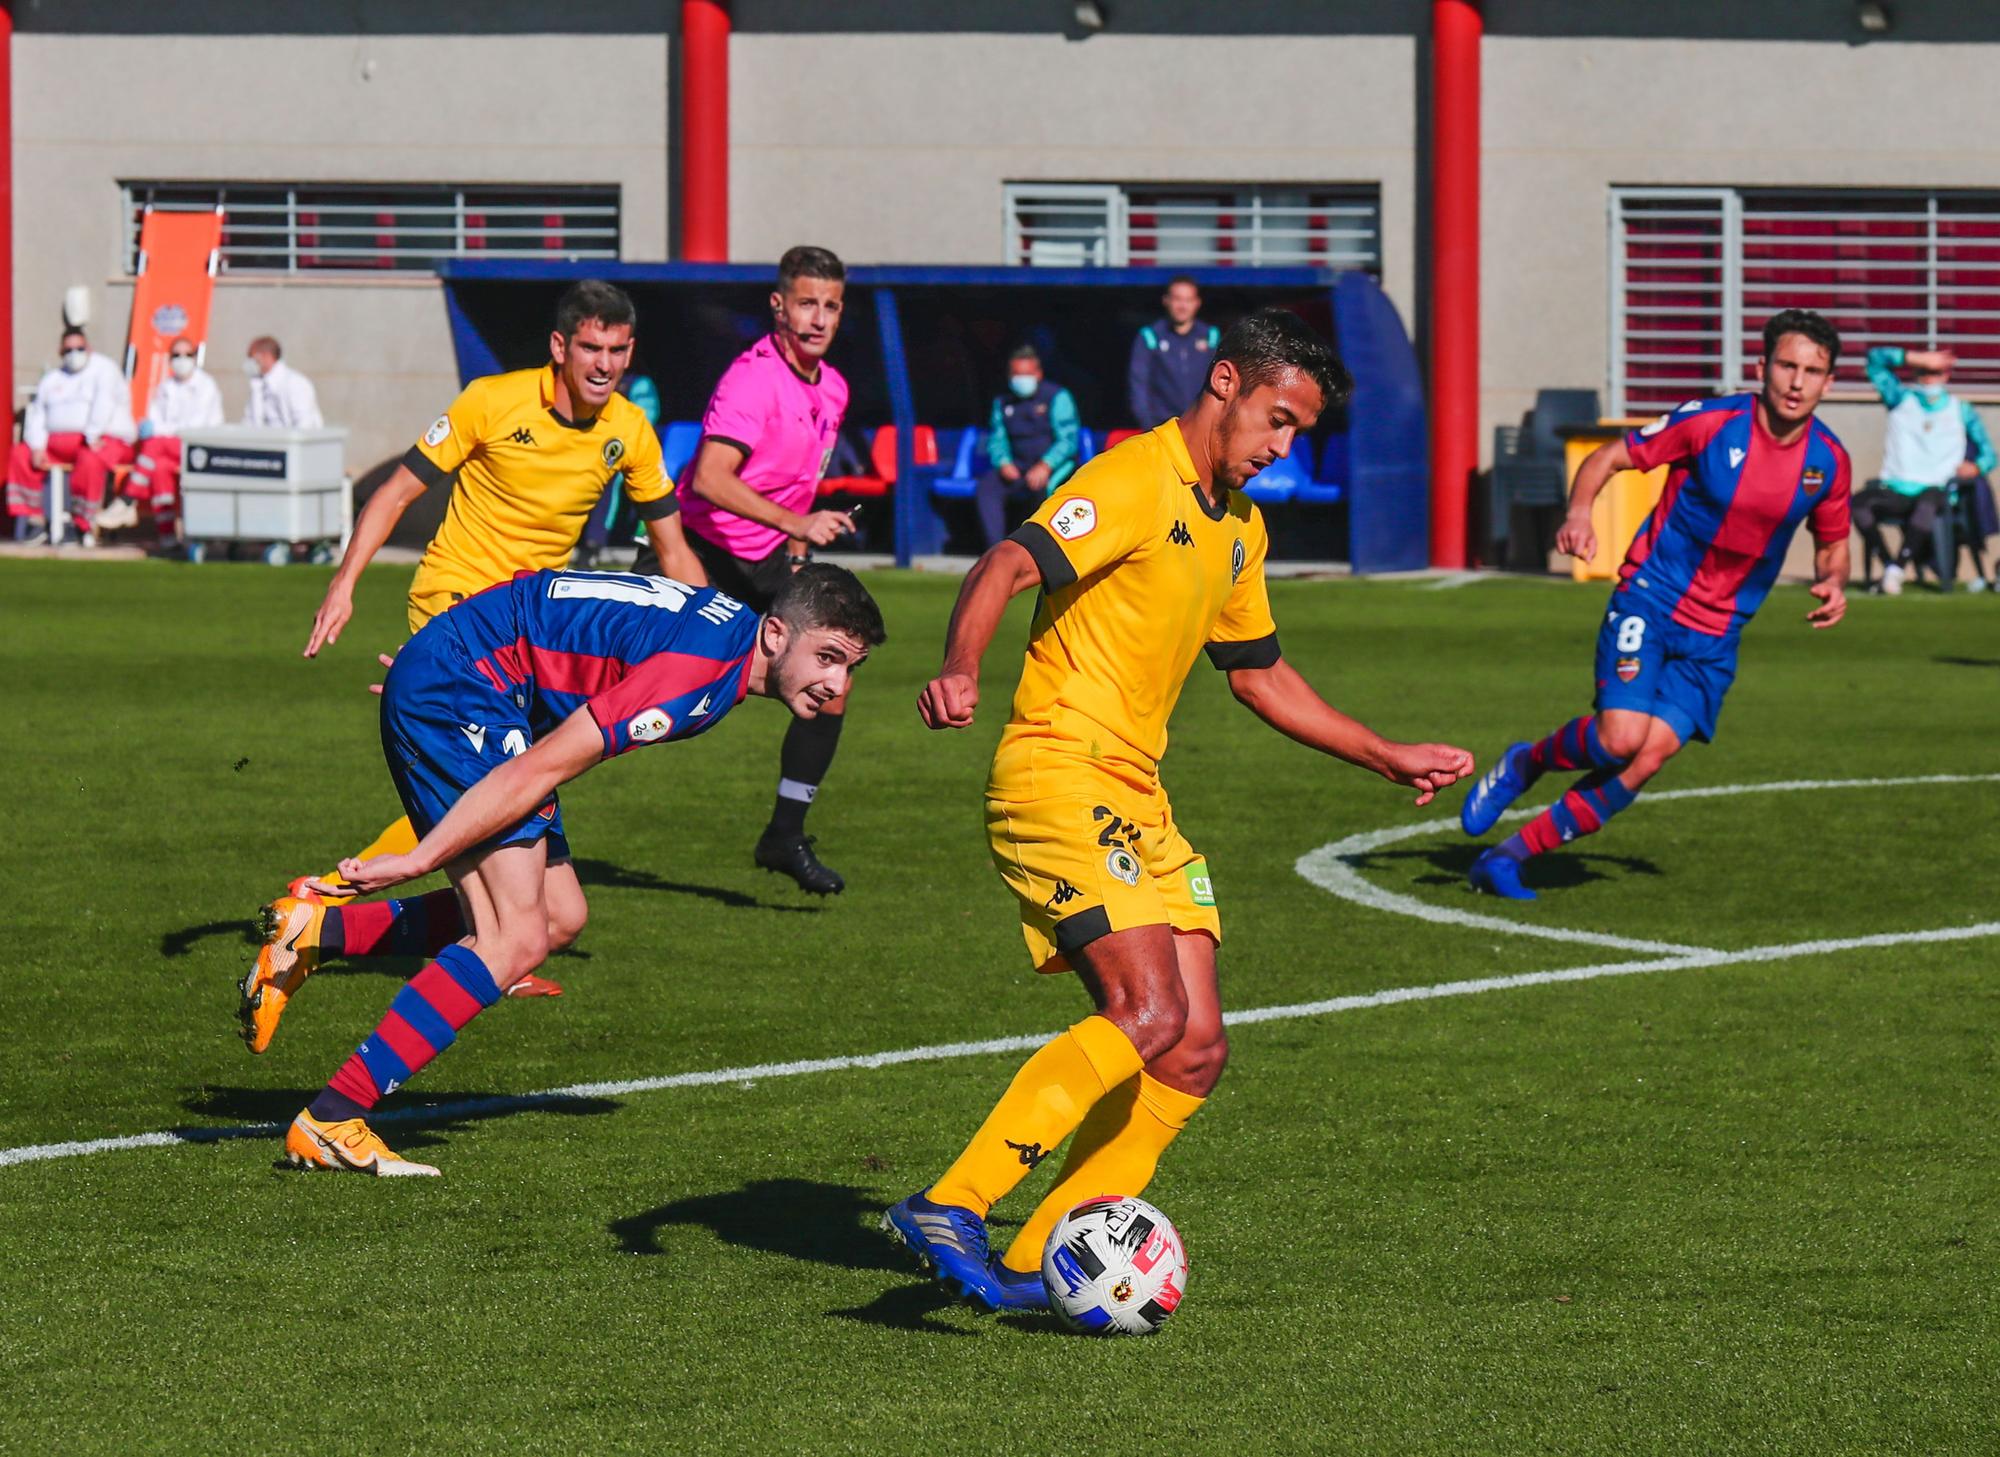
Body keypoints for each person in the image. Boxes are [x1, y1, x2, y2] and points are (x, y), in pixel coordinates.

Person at [881, 308, 1473, 1310]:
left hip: (1137, 793)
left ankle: (1034, 1260)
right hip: (1059, 770)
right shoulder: (1128, 478)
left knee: (1194, 1045)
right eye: (1278, 421)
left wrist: (1382, 752)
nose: (1283, 449)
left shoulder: (1239, 528)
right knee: (1145, 1010)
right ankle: (952, 1200)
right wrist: (957, 667)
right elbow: (1005, 563)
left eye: (1300, 433)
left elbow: (1257, 674)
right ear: (1227, 383)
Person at [263, 563, 885, 1176]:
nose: (838, 683)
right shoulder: (699, 677)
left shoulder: (725, 635)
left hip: (473, 676)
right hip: (469, 687)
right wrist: (421, 856)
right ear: (776, 635)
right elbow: (540, 769)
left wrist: (449, 650)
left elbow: (568, 613)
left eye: (850, 666)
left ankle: (314, 935)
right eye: (828, 656)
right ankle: (332, 1118)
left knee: (560, 917)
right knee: (514, 938)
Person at [275, 280, 705, 1005]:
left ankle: (334, 914)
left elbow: (673, 547)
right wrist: (344, 583)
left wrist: (715, 636)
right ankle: (484, 952)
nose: (605, 364)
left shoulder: (628, 429)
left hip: (534, 635)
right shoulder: (491, 400)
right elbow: (394, 493)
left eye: (619, 351)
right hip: (454, 615)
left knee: (526, 842)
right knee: (500, 823)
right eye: (592, 348)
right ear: (560, 348)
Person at [1459, 308, 1853, 899]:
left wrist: (1833, 581)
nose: (1797, 382)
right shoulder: (1714, 422)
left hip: (1719, 633)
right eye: (1787, 366)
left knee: (1645, 760)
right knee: (1619, 739)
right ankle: (1528, 763)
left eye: (1812, 371)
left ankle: (1506, 858)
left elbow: (1834, 544)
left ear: (1829, 383)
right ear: (1762, 367)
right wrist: (1578, 514)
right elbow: (1608, 458)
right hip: (1653, 597)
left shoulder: (1828, 461)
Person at [631, 245, 861, 895]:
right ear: (779, 306)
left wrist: (795, 548)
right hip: (695, 553)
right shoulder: (751, 379)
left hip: (764, 562)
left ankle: (784, 835)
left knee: (831, 675)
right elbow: (708, 478)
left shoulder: (834, 387)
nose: (817, 318)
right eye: (806, 303)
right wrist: (799, 524)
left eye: (830, 306)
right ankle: (498, 771)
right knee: (614, 685)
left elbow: (793, 486)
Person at [1855, 345, 1996, 595]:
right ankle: (1890, 566)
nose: (1929, 378)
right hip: (1897, 486)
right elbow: (1874, 361)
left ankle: (1896, 570)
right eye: (1923, 371)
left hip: (1937, 489)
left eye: (1935, 372)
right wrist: (1911, 357)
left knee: (1928, 504)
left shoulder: (1961, 410)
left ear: (1946, 375)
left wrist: (1976, 467)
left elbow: (1989, 455)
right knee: (1857, 504)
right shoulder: (1898, 398)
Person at [4, 327, 137, 542]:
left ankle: (81, 524)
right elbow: (38, 414)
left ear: (89, 348)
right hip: (59, 443)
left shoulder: (104, 369)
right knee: (21, 454)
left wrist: (92, 436)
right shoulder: (53, 378)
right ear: (60, 352)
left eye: (79, 348)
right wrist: (37, 446)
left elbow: (104, 404)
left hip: (104, 439)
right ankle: (33, 521)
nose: (74, 354)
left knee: (90, 460)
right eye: (68, 350)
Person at [107, 336, 224, 541]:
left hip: (199, 449)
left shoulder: (205, 386)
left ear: (195, 357)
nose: (182, 359)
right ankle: (167, 536)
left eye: (187, 355)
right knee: (159, 468)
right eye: (176, 355)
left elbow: (193, 428)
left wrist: (160, 429)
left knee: (155, 443)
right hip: (170, 450)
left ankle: (128, 498)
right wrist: (156, 428)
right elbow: (154, 418)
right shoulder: (166, 386)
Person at [974, 345, 1081, 548]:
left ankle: (1045, 550)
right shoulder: (1003, 402)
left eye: (1027, 374)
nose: (1021, 379)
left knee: (1047, 490)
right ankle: (996, 550)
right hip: (1018, 466)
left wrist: (1046, 465)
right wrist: (1003, 462)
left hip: (1055, 467)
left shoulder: (1057, 397)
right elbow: (997, 439)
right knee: (987, 488)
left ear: (1038, 374)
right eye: (1016, 374)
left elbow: (1068, 440)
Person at [1126, 275, 1219, 428]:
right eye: (1177, 299)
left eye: (1188, 300)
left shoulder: (1211, 336)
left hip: (1201, 426)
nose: (1182, 306)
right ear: (1166, 300)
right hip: (1161, 427)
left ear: (1197, 303)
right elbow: (1138, 386)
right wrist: (1149, 425)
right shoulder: (1150, 336)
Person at [242, 336, 323, 429]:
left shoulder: (295, 383)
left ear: (266, 356)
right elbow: (249, 419)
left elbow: (305, 424)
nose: (249, 362)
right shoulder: (257, 383)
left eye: (251, 357)